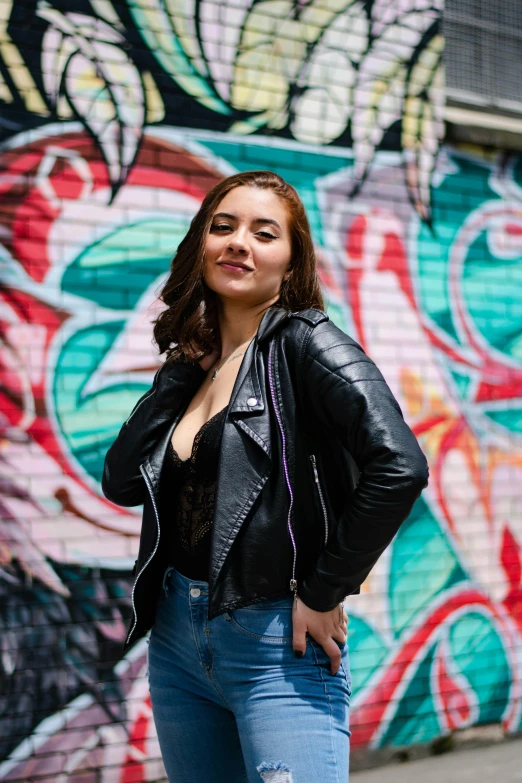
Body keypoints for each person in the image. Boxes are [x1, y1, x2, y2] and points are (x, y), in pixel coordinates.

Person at [102, 170, 429, 783]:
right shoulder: (195, 365)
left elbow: (400, 465)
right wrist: (178, 374)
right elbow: (121, 482)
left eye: (263, 232)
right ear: (200, 242)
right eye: (222, 227)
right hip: (175, 639)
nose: (238, 243)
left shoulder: (308, 344)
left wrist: (325, 588)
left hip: (276, 640)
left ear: (290, 260)